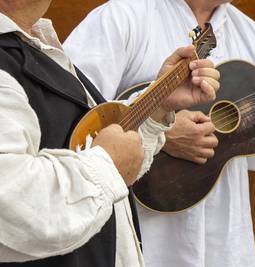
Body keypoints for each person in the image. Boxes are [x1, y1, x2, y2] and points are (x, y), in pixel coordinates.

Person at [63, 0, 255, 266]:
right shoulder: (122, 17)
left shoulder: (249, 34)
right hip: (148, 241)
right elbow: (70, 119)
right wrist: (161, 130)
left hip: (224, 243)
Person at [0, 0, 219, 266]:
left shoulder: (32, 45)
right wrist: (107, 165)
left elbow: (83, 142)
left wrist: (157, 106)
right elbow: (10, 204)